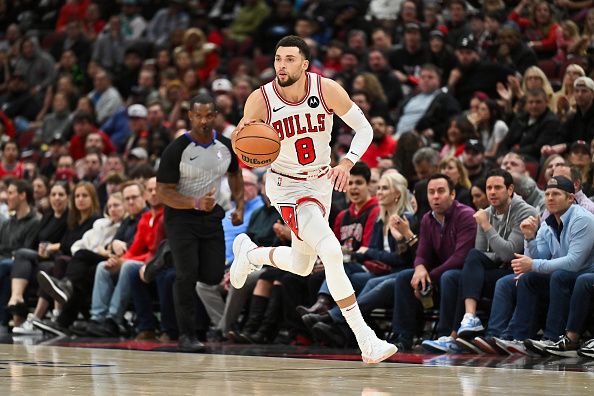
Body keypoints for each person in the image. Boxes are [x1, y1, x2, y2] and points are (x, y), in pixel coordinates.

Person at [229, 35, 397, 364]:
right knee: (332, 251)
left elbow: (365, 129)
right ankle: (367, 340)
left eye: (290, 59)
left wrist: (347, 161)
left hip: (320, 181)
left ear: (305, 64)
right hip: (286, 187)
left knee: (303, 265)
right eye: (278, 59)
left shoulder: (326, 90)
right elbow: (243, 140)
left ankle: (250, 253)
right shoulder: (261, 99)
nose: (282, 65)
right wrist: (243, 138)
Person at [156, 94, 245, 353]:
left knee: (212, 275)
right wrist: (194, 203)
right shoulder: (177, 149)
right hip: (180, 217)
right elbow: (163, 191)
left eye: (209, 115)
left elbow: (235, 176)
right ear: (190, 117)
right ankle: (187, 335)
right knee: (187, 275)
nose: (204, 120)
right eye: (199, 116)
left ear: (215, 116)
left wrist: (239, 206)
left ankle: (167, 256)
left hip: (211, 215)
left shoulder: (226, 147)